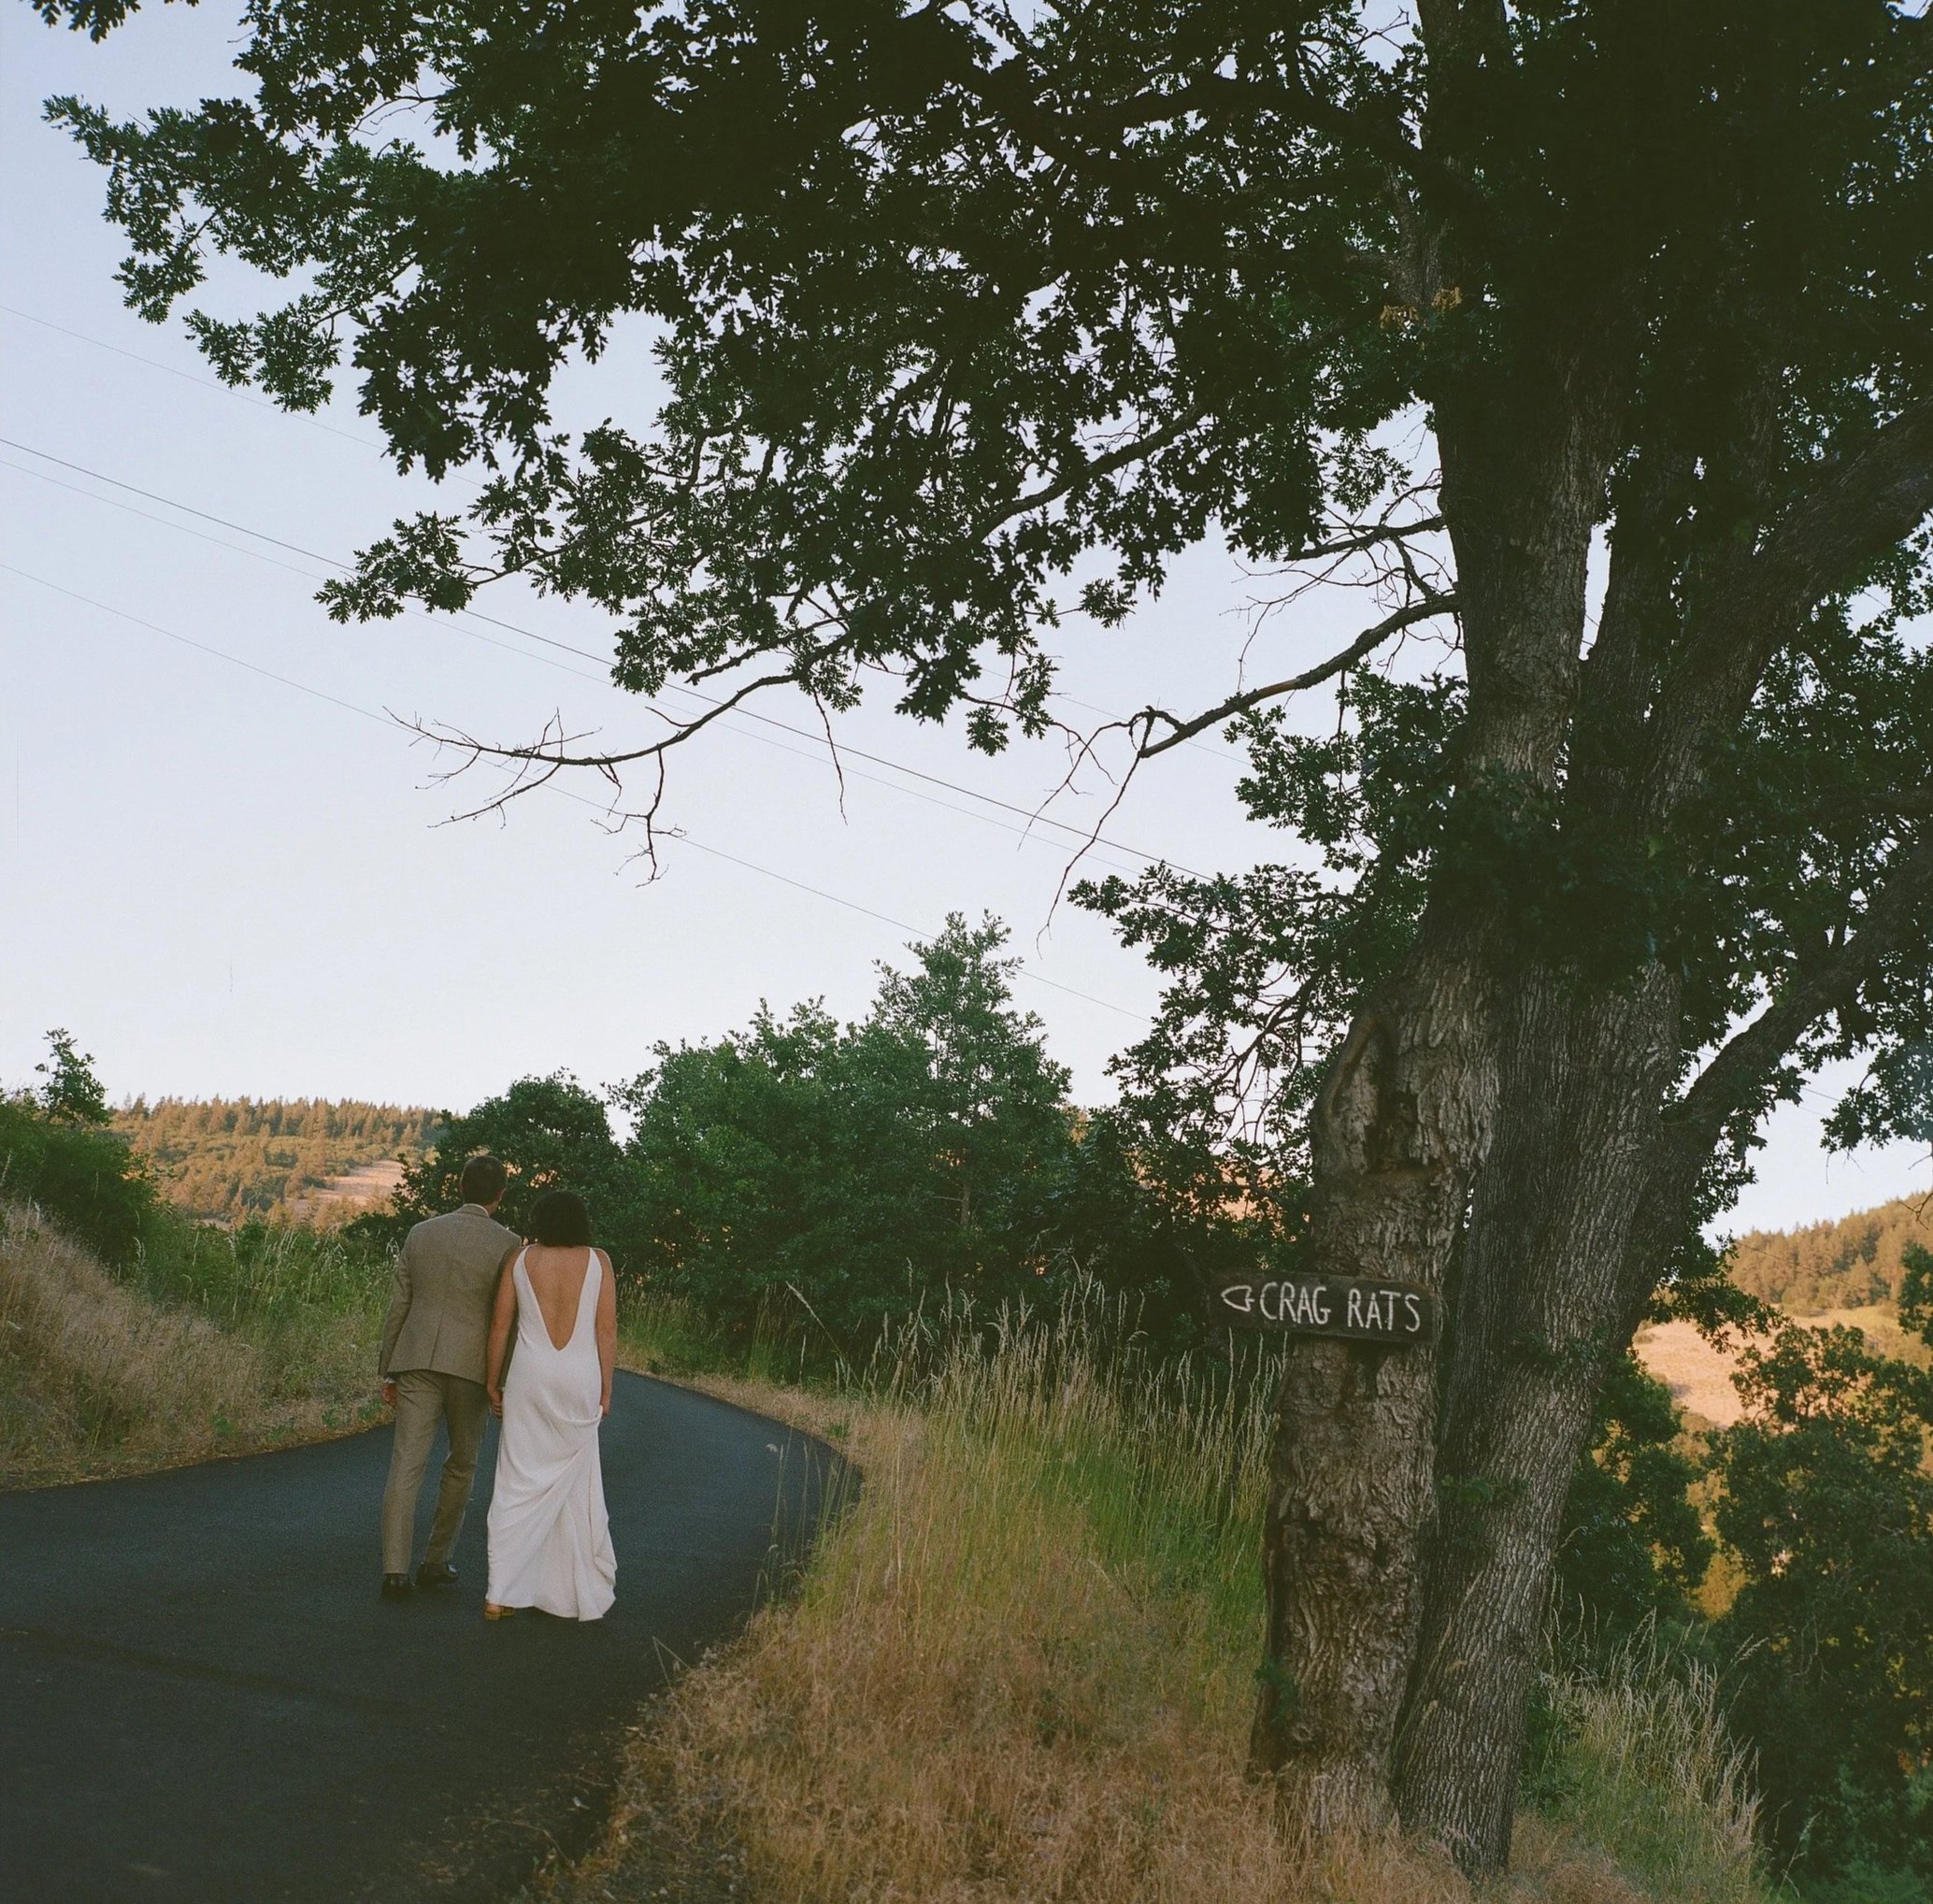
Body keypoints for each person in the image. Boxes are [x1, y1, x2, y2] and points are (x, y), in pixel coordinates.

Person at [375, 1154, 522, 1600]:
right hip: (473, 1368)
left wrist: (387, 1368)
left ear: (459, 1188)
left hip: (417, 1358)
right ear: (500, 1195)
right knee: (461, 1463)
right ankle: (436, 1560)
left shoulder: (421, 1233)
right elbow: (507, 1319)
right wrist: (501, 1379)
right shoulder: (509, 1244)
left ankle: (395, 1571)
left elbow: (399, 1304)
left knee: (405, 1464)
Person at [482, 1188, 617, 1622]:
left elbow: (500, 1325)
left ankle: (499, 1593)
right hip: (580, 1377)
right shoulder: (599, 1261)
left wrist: (492, 1382)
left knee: (516, 1482)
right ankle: (566, 1590)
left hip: (530, 1377)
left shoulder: (520, 1259)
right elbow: (606, 1331)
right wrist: (606, 1391)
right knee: (574, 1485)